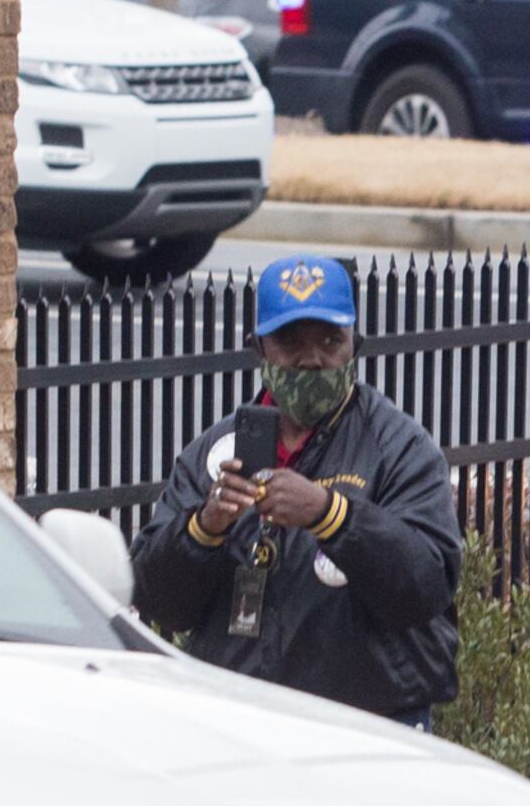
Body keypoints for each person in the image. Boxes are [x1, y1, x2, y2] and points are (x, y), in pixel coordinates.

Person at [130, 257, 460, 724]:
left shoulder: (399, 448)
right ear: (258, 349)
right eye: (289, 341)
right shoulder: (213, 454)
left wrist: (332, 516)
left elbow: (425, 586)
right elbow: (161, 602)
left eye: (330, 341)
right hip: (243, 719)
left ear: (355, 345)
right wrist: (204, 529)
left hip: (369, 722)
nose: (312, 360)